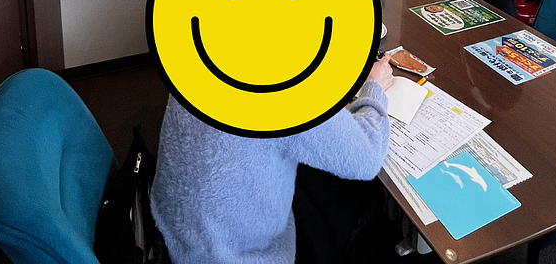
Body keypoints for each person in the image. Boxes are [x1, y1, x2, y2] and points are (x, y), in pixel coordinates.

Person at [151, 55, 394, 264]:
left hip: (177, 234)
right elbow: (368, 157)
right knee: (362, 202)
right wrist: (374, 87)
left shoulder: (200, 55)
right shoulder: (280, 84)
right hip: (235, 255)